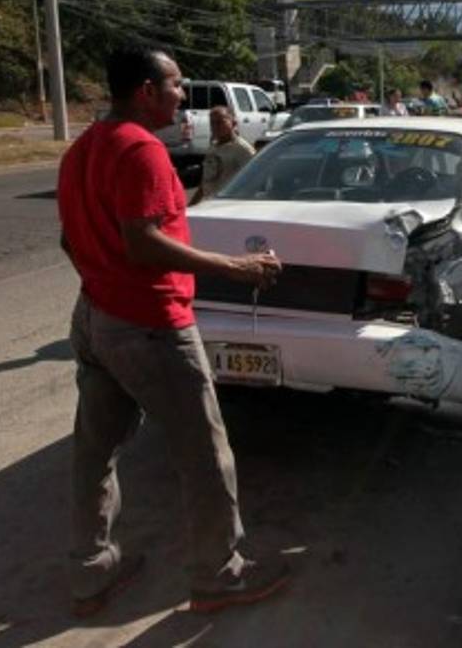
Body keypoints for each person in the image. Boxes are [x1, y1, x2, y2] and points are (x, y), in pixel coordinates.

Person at [57, 47, 290, 618]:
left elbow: (70, 240)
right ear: (145, 91)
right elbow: (143, 242)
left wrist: (101, 280)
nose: (183, 95)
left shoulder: (83, 148)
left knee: (96, 453)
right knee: (205, 454)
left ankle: (92, 576)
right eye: (176, 84)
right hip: (151, 326)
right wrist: (238, 268)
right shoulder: (142, 151)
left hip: (95, 317)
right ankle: (220, 575)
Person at [190, 106, 255, 205]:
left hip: (229, 205)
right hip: (209, 203)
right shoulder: (213, 147)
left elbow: (254, 180)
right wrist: (191, 205)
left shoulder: (242, 149)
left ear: (233, 123)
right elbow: (206, 181)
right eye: (212, 123)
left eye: (220, 122)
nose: (215, 126)